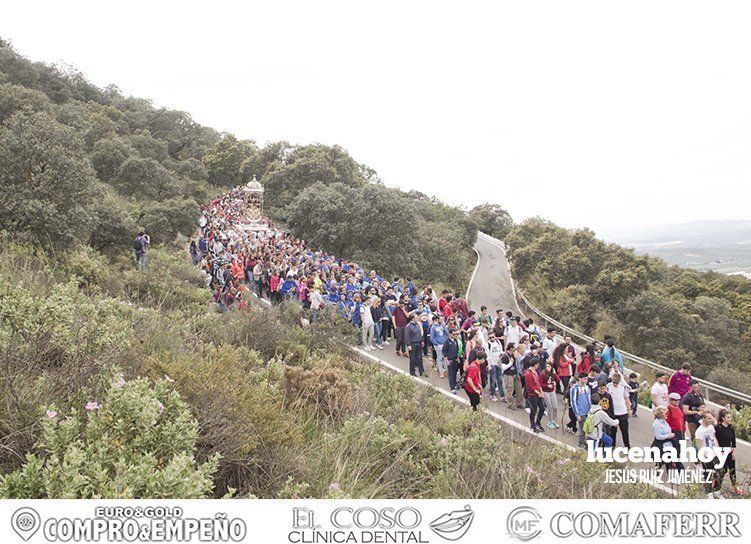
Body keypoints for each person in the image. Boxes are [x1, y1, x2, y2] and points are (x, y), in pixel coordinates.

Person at [715, 408, 744, 496]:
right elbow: (715, 441)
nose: (730, 419)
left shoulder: (731, 427)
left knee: (732, 470)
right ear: (723, 418)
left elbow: (733, 440)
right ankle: (717, 489)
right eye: (728, 417)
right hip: (721, 453)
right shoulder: (718, 428)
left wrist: (733, 452)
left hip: (729, 452)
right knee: (722, 471)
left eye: (730, 417)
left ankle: (734, 487)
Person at [695, 412, 721, 498]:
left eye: (711, 418)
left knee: (718, 472)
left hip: (714, 452)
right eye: (709, 418)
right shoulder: (700, 431)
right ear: (703, 419)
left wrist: (718, 449)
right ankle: (709, 492)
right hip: (706, 454)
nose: (711, 420)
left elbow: (714, 438)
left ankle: (717, 490)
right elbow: (699, 445)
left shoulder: (710, 427)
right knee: (708, 473)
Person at [651, 406, 684, 471]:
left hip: (669, 445)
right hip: (661, 446)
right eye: (666, 413)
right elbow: (658, 437)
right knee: (662, 462)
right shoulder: (657, 424)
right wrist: (669, 436)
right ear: (661, 414)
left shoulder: (664, 422)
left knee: (670, 463)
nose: (667, 414)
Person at [607, 372, 632, 448]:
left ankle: (627, 446)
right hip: (613, 413)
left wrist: (629, 410)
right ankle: (612, 445)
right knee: (612, 432)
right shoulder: (608, 387)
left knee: (625, 431)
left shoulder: (623, 387)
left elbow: (626, 398)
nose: (615, 384)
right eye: (614, 382)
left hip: (623, 412)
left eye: (616, 383)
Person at [524, 357, 546, 432]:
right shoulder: (528, 374)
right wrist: (538, 392)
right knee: (534, 410)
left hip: (538, 393)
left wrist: (541, 391)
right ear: (535, 365)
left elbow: (538, 382)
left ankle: (538, 423)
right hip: (533, 395)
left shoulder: (535, 372)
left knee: (542, 408)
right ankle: (532, 425)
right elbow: (529, 386)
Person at [571, 373, 592, 448]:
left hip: (588, 411)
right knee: (583, 428)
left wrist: (591, 410)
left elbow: (589, 400)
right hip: (581, 412)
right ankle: (582, 444)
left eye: (586, 379)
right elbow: (573, 401)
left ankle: (581, 443)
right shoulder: (575, 388)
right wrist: (577, 414)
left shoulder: (587, 388)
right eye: (584, 379)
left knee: (587, 428)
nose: (586, 380)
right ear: (580, 379)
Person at [539, 361, 560, 429]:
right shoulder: (543, 374)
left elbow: (558, 380)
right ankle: (550, 421)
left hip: (552, 391)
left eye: (549, 366)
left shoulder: (553, 374)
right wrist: (547, 385)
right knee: (550, 407)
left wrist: (555, 375)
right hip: (546, 392)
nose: (547, 368)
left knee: (555, 407)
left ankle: (554, 420)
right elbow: (540, 384)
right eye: (546, 366)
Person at [501, 343, 522, 409]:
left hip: (515, 373)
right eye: (513, 347)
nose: (515, 348)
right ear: (511, 348)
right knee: (510, 389)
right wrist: (510, 363)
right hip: (508, 374)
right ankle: (510, 404)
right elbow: (503, 367)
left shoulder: (513, 354)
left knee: (518, 389)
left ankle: (519, 403)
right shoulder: (505, 356)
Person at [487, 332, 505, 401]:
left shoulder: (498, 342)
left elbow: (501, 351)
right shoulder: (488, 344)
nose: (492, 338)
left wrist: (501, 360)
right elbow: (488, 355)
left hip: (498, 363)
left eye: (493, 337)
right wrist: (489, 365)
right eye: (490, 337)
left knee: (500, 380)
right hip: (492, 364)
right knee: (493, 380)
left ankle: (502, 396)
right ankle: (492, 394)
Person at [443, 329, 462, 394]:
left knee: (454, 373)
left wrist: (457, 358)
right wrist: (446, 360)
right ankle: (452, 387)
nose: (455, 336)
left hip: (455, 359)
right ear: (450, 334)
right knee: (451, 374)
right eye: (453, 334)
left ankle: (455, 384)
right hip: (450, 360)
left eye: (456, 334)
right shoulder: (447, 342)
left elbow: (457, 350)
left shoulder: (455, 341)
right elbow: (444, 351)